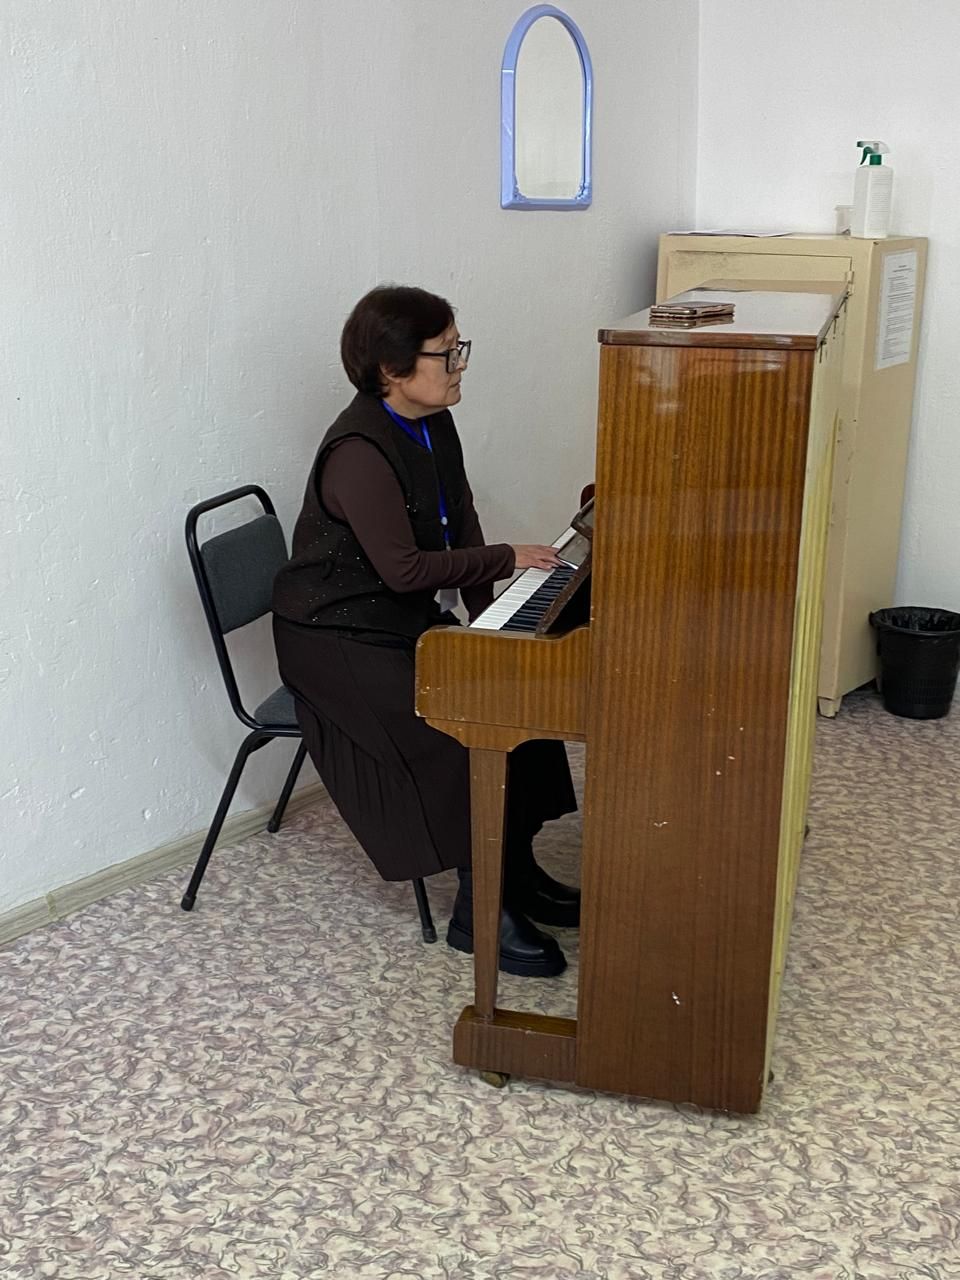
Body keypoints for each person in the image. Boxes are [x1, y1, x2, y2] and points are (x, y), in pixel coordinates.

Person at [272, 284, 580, 977]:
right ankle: (480, 911)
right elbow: (405, 568)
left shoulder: (435, 422)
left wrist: (488, 627)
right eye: (446, 354)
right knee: (456, 734)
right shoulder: (358, 452)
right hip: (335, 638)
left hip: (393, 620)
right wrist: (505, 558)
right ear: (392, 369)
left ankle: (516, 871)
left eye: (458, 348)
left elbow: (461, 521)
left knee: (514, 696)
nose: (459, 365)